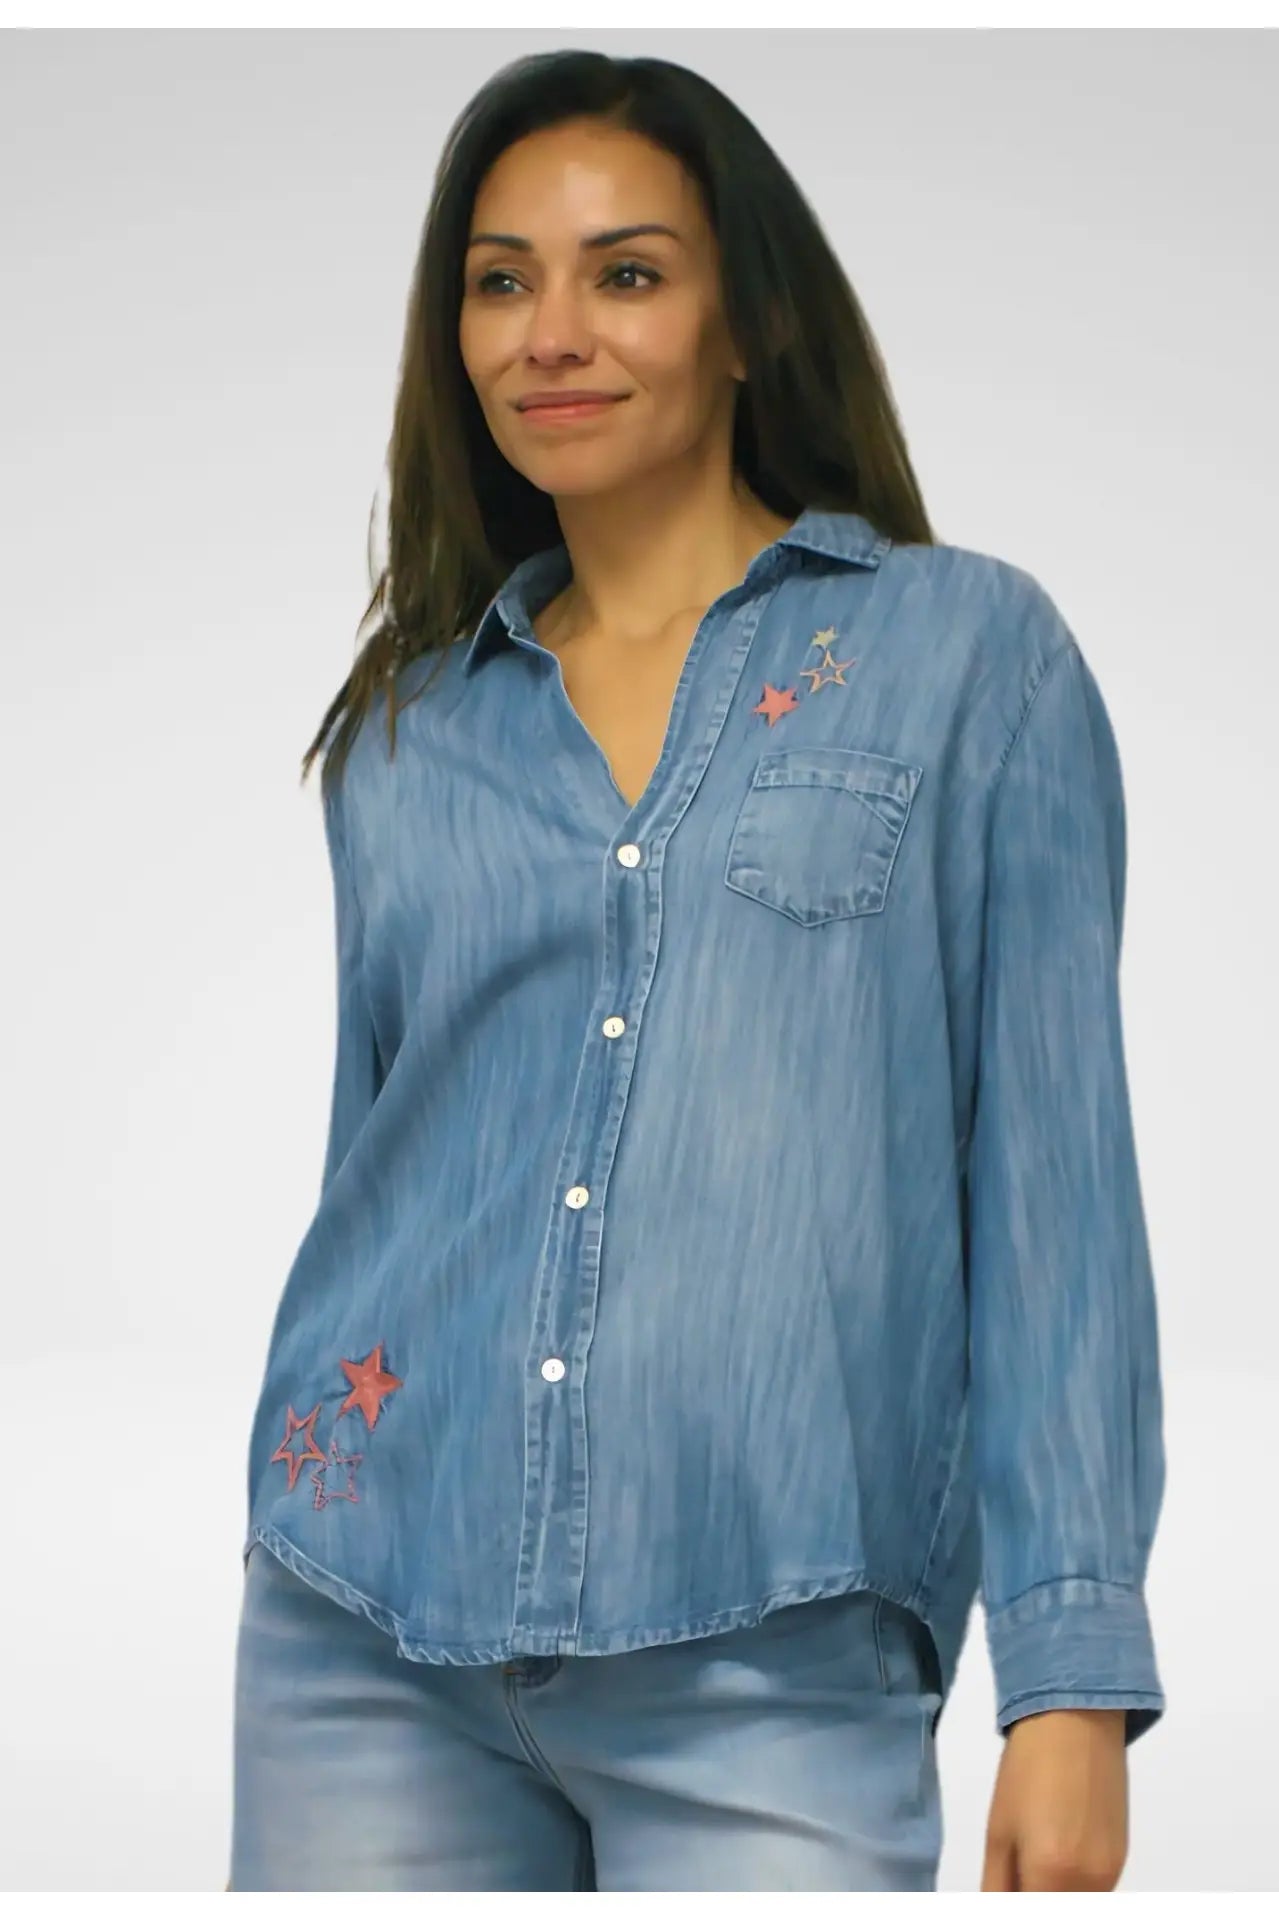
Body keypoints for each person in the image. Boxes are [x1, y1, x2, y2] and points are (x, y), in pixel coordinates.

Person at [229, 48, 1166, 1894]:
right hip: (361, 1635)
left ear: (746, 318)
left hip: (774, 1656)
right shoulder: (412, 734)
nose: (550, 332)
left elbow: (1055, 1193)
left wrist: (1069, 1680)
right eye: (501, 280)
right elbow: (380, 1170)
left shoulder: (967, 656)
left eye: (626, 272)